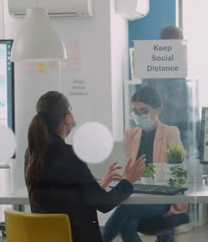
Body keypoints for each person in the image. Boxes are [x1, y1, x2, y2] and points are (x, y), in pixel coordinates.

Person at [25, 91, 145, 242]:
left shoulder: (32, 153)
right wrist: (127, 181)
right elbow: (105, 204)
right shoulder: (70, 154)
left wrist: (95, 187)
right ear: (67, 118)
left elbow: (58, 197)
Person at [102, 86, 188, 242]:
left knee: (124, 210)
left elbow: (179, 171)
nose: (139, 116)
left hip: (162, 199)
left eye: (144, 111)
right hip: (139, 194)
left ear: (158, 111)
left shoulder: (170, 132)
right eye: (135, 111)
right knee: (126, 223)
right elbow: (129, 171)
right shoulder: (130, 135)